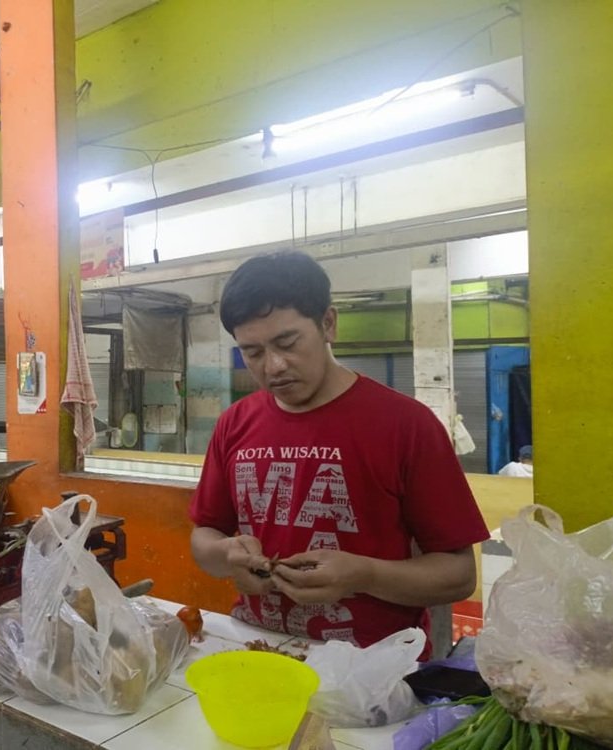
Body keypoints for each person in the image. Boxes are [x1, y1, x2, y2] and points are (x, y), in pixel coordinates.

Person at [189, 250, 489, 655]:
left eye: (287, 342)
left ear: (328, 324)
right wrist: (228, 556)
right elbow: (204, 536)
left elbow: (458, 575)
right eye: (253, 352)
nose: (273, 366)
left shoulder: (406, 425)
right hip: (261, 654)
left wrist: (363, 574)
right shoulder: (234, 424)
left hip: (373, 674)